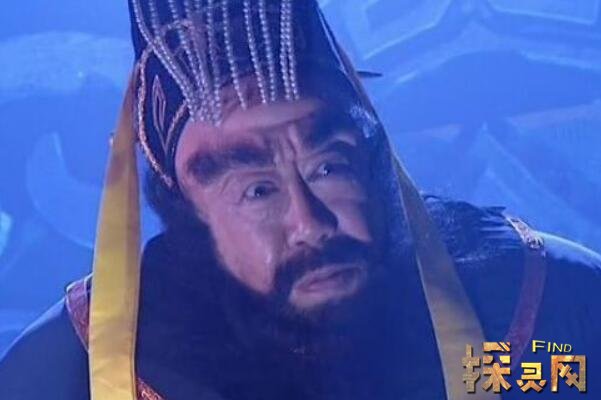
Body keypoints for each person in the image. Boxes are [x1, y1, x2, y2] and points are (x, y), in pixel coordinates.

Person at [1, 0, 600, 399]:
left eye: (328, 167)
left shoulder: (551, 305)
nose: (309, 223)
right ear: (185, 214)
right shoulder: (70, 374)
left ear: (372, 163)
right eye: (257, 190)